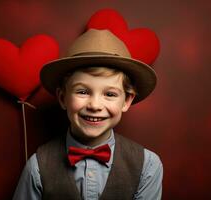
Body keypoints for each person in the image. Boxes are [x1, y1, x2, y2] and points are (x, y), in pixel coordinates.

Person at [13, 29, 163, 200]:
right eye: (83, 92)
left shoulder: (147, 166)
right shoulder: (38, 166)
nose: (95, 105)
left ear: (126, 101)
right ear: (62, 98)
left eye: (110, 94)